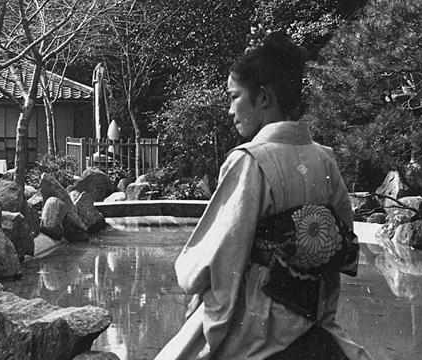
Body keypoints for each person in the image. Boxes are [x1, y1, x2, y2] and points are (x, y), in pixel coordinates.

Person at [155, 32, 373, 360]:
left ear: (263, 97)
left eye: (234, 96)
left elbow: (218, 257)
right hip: (310, 314)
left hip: (256, 324)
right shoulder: (325, 159)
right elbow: (339, 248)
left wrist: (194, 283)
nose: (230, 109)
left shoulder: (250, 161)